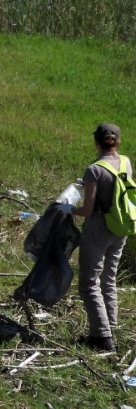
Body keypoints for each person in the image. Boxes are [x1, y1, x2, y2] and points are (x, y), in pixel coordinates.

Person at [71, 122, 127, 353]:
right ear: (118, 142)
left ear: (96, 142)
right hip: (121, 226)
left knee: (88, 283)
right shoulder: (125, 162)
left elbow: (87, 210)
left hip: (98, 229)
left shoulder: (93, 170)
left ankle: (102, 337)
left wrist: (67, 209)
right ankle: (111, 325)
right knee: (108, 278)